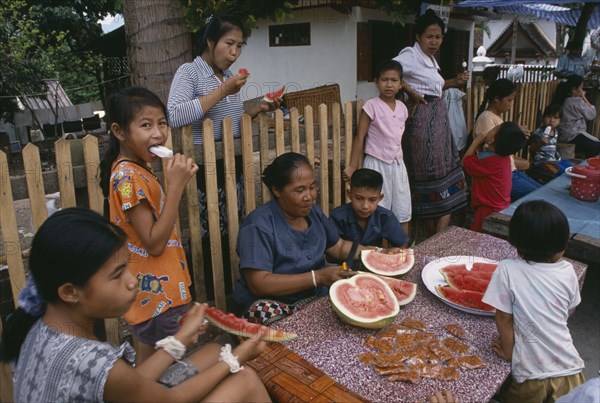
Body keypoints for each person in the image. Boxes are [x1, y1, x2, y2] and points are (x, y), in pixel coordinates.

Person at [0, 208, 270, 402]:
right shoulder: (93, 362)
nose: (133, 281)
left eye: (128, 266)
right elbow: (170, 399)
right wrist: (237, 358)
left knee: (212, 351)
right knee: (244, 379)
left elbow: (128, 385)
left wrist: (179, 340)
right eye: (117, 275)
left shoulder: (36, 321)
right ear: (70, 292)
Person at [167, 14, 280, 298]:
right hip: (204, 169)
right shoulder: (189, 72)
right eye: (229, 43)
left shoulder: (229, 78)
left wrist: (259, 108)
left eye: (239, 46)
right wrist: (223, 91)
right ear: (210, 41)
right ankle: (207, 298)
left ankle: (232, 292)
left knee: (232, 228)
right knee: (208, 237)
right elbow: (175, 114)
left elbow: (228, 119)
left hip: (232, 166)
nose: (234, 52)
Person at [99, 86, 199, 363]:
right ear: (119, 132)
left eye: (162, 123)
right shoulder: (127, 177)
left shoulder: (136, 168)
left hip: (156, 293)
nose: (158, 133)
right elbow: (154, 244)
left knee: (148, 364)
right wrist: (176, 187)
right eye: (146, 125)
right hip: (157, 296)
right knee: (166, 369)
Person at [232, 152, 375, 325]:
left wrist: (378, 254)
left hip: (313, 297)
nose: (309, 196)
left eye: (312, 187)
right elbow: (259, 283)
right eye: (300, 190)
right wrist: (317, 277)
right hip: (272, 306)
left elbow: (338, 246)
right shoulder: (257, 226)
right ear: (277, 190)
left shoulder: (312, 212)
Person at [482, 200, 585, 403]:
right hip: (571, 371)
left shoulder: (507, 269)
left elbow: (503, 317)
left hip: (531, 377)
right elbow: (569, 309)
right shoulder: (568, 270)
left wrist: (509, 352)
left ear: (516, 240)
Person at [392, 9, 468, 235]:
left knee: (447, 176)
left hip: (440, 122)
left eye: (438, 37)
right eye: (429, 36)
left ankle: (436, 238)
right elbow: (388, 70)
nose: (434, 42)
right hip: (423, 123)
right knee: (429, 176)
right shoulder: (410, 56)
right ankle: (434, 239)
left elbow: (435, 86)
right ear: (418, 37)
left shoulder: (429, 60)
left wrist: (455, 81)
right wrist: (409, 91)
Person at [343, 60, 411, 234]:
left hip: (397, 164)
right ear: (376, 82)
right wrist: (351, 166)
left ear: (401, 84)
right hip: (376, 164)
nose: (389, 84)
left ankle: (401, 250)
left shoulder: (403, 108)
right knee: (377, 209)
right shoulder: (371, 106)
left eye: (394, 80)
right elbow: (360, 137)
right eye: (384, 79)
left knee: (402, 210)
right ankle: (379, 250)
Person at [473, 78, 541, 200]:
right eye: (509, 100)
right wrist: (515, 133)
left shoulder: (495, 117)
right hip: (500, 175)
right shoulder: (486, 118)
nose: (510, 104)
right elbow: (491, 146)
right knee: (539, 196)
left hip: (509, 170)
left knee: (543, 190)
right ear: (496, 99)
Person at [330, 169, 409, 268]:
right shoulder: (337, 217)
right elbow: (331, 251)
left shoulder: (385, 217)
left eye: (372, 200)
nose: (365, 206)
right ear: (349, 194)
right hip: (344, 268)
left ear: (380, 198)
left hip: (377, 265)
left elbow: (402, 245)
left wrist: (394, 255)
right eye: (359, 198)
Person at [462, 122, 527, 232]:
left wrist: (476, 141)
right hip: (500, 207)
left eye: (494, 129)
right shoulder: (503, 158)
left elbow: (465, 162)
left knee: (476, 239)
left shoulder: (491, 162)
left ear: (492, 140)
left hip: (488, 211)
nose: (490, 129)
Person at [552, 74, 600, 157]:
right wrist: (584, 97)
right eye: (581, 88)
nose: (582, 90)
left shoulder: (565, 99)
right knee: (597, 147)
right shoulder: (575, 101)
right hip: (573, 136)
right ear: (574, 90)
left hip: (566, 135)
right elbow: (592, 114)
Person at [529, 104, 573, 183]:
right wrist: (540, 143)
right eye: (549, 117)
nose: (552, 120)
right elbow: (531, 149)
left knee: (572, 168)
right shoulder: (538, 133)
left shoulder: (555, 132)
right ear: (543, 118)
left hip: (554, 160)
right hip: (542, 163)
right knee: (563, 172)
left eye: (555, 118)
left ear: (560, 121)